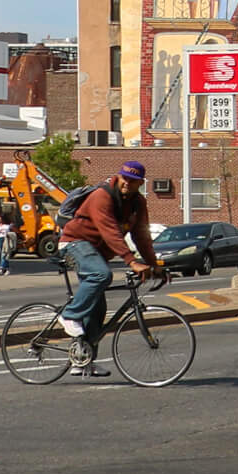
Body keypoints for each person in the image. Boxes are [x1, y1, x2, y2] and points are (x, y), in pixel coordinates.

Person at [57, 161, 162, 377]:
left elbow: (141, 235)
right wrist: (131, 261)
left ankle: (82, 360)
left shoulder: (137, 203)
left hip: (96, 253)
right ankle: (69, 315)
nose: (127, 183)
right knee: (101, 275)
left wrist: (154, 265)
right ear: (119, 177)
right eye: (125, 178)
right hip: (74, 243)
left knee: (98, 310)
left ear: (141, 183)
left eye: (133, 181)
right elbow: (109, 231)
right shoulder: (102, 196)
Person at [0, 204, 17, 276]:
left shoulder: (8, 225)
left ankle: (2, 269)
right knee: (3, 255)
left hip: (6, 239)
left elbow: (15, 231)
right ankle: (7, 269)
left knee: (4, 254)